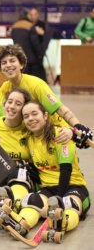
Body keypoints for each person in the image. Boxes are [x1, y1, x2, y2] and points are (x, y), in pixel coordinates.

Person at [13, 101, 90, 239]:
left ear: (45, 116)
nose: (30, 118)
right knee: (32, 202)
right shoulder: (29, 140)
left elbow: (66, 170)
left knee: (69, 205)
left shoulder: (60, 134)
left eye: (34, 114)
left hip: (73, 185)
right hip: (48, 187)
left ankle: (61, 223)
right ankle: (20, 225)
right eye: (26, 116)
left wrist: (58, 199)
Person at [0, 44, 93, 148]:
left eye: (12, 61)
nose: (8, 65)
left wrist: (77, 126)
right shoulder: (5, 88)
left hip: (56, 132)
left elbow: (61, 109)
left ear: (21, 64)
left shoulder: (36, 85)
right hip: (33, 133)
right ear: (0, 68)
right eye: (4, 63)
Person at [10, 10, 46, 81]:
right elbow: (35, 42)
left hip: (19, 56)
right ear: (27, 16)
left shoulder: (14, 26)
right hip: (31, 59)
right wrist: (40, 54)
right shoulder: (30, 26)